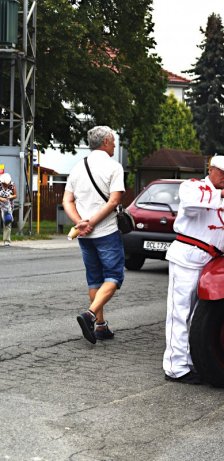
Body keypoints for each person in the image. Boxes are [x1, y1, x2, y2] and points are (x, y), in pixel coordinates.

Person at [163, 155, 224, 384]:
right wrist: (221, 195)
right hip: (188, 256)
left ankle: (189, 361)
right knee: (180, 312)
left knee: (198, 317)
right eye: (223, 173)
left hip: (213, 262)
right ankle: (175, 367)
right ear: (211, 170)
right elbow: (192, 200)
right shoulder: (195, 186)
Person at [63, 126, 125, 344]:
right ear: (106, 141)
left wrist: (80, 223)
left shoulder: (77, 168)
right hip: (106, 232)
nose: (115, 144)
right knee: (114, 277)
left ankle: (100, 326)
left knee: (94, 279)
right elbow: (114, 201)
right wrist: (92, 223)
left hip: (84, 236)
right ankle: (90, 315)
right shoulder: (114, 167)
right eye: (114, 140)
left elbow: (67, 201)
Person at [0, 173, 16, 246]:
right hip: (0, 205)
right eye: (5, 183)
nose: (7, 185)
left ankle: (7, 241)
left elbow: (15, 195)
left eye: (8, 183)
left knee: (8, 222)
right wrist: (1, 198)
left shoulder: (12, 185)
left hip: (8, 207)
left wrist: (10, 197)